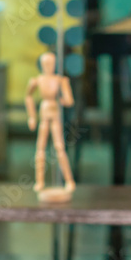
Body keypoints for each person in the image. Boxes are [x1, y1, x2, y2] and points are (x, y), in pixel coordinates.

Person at [26, 52, 76, 193]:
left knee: (59, 147)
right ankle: (40, 181)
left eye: (51, 63)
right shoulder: (36, 80)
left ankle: (68, 180)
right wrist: (31, 116)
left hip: (55, 113)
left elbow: (69, 100)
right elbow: (28, 97)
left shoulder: (60, 80)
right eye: (46, 63)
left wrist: (63, 99)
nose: (48, 66)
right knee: (40, 147)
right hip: (44, 113)